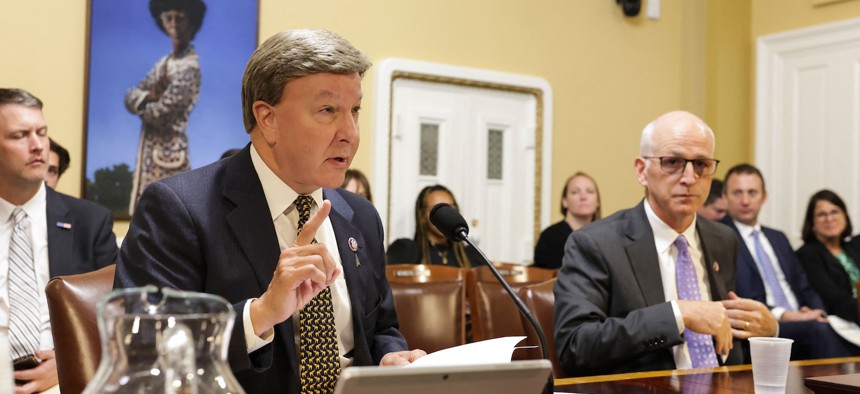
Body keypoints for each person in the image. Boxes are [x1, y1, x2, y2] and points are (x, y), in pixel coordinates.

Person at [114, 30, 424, 393]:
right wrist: (259, 314)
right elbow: (146, 351)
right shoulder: (178, 208)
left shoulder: (361, 216)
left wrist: (389, 359)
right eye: (328, 110)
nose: (350, 133)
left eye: (354, 110)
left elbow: (382, 329)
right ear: (268, 119)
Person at [554, 111, 776, 377]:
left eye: (702, 164)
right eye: (672, 162)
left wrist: (768, 328)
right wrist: (678, 314)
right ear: (642, 170)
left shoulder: (723, 239)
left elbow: (728, 329)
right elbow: (576, 346)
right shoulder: (595, 243)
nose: (689, 178)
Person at [0, 88, 118, 393]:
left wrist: (68, 362)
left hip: (65, 379)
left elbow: (120, 314)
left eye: (41, 132)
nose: (38, 145)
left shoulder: (89, 222)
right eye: (19, 136)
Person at [722, 164, 859, 359]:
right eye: (737, 193)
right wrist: (786, 315)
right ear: (725, 197)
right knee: (819, 331)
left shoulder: (777, 237)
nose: (745, 200)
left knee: (827, 326)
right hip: (763, 323)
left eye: (752, 193)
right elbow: (735, 294)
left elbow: (804, 286)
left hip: (802, 319)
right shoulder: (720, 237)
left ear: (764, 197)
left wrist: (815, 310)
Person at [125, 0, 206, 215]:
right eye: (168, 18)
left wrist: (144, 102)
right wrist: (147, 97)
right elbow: (130, 95)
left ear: (191, 21)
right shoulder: (164, 62)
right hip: (150, 153)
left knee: (167, 217)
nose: (174, 24)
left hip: (170, 155)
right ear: (161, 21)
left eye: (180, 18)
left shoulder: (189, 67)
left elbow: (161, 114)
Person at [796, 190, 860, 324]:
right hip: (841, 323)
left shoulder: (853, 247)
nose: (829, 219)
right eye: (821, 214)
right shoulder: (808, 254)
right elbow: (834, 301)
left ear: (845, 215)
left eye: (834, 212)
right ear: (812, 222)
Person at [386, 185, 485, 267]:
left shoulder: (471, 255)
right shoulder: (407, 252)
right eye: (437, 211)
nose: (444, 217)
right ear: (422, 215)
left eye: (449, 209)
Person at [533, 172, 601, 269]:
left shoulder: (607, 237)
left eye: (590, 191)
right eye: (575, 192)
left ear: (597, 202)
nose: (583, 197)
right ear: (564, 201)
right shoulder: (549, 237)